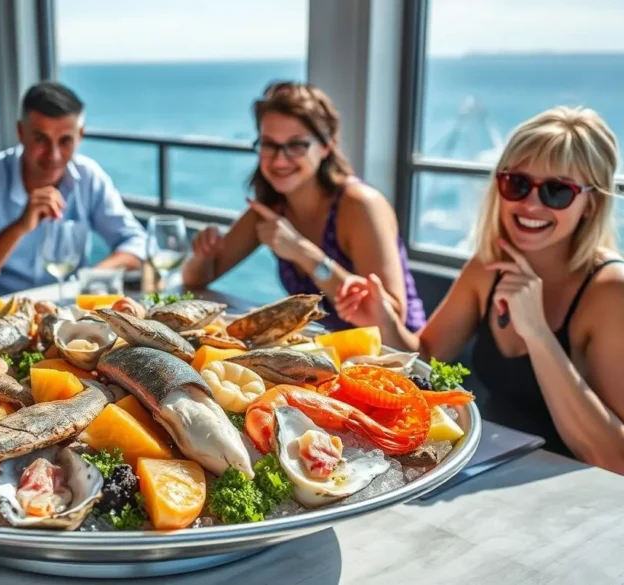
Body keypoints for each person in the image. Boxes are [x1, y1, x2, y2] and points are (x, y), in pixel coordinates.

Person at [335, 106, 624, 474]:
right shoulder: (488, 267)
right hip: (486, 469)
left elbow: (614, 458)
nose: (530, 204)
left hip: (573, 494)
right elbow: (427, 358)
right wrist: (383, 320)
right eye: (517, 183)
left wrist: (537, 333)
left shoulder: (610, 291)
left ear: (591, 204)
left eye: (557, 191)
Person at [181, 81, 425, 333]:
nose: (279, 159)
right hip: (335, 348)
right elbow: (194, 281)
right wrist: (202, 255)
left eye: (297, 145)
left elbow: (391, 318)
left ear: (327, 145)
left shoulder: (361, 205)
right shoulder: (270, 209)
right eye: (269, 144)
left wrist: (303, 253)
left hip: (396, 353)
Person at [0, 81, 146, 297]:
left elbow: (138, 242)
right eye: (41, 139)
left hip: (68, 307)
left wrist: (92, 277)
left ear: (80, 135)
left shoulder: (89, 177)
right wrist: (20, 226)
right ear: (21, 132)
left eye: (65, 141)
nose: (54, 155)